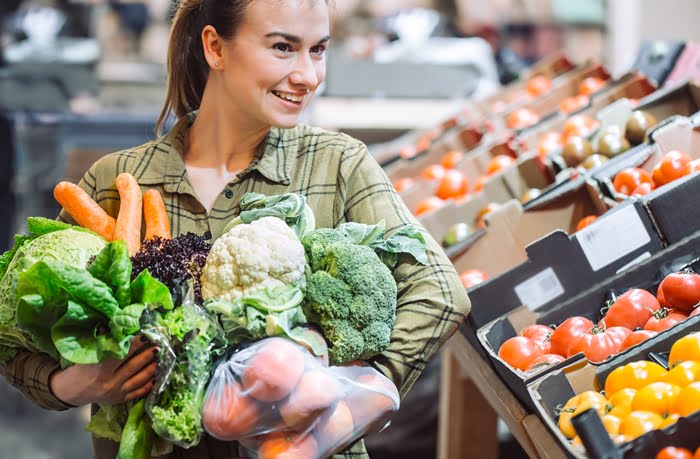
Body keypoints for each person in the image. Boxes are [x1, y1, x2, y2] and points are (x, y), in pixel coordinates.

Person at [0, 0, 471, 458]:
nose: (308, 75)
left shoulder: (338, 164)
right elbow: (13, 332)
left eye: (319, 49)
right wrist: (69, 385)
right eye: (283, 47)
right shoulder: (115, 179)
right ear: (215, 47)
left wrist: (356, 393)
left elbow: (440, 291)